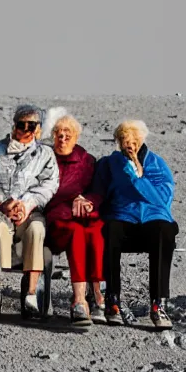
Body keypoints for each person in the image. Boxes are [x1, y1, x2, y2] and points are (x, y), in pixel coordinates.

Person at [0, 104, 59, 320]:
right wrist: (5, 202)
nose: (25, 129)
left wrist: (27, 204)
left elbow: (49, 183)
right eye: (21, 124)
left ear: (39, 128)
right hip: (1, 210)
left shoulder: (45, 154)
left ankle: (30, 293)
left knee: (36, 230)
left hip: (29, 212)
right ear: (14, 125)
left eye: (31, 125)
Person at [93, 119, 178, 329]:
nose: (129, 144)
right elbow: (98, 192)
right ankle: (112, 300)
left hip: (153, 218)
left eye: (133, 140)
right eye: (124, 139)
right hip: (123, 218)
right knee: (110, 229)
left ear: (141, 140)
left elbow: (162, 199)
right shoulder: (110, 163)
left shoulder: (156, 164)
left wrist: (139, 176)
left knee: (164, 231)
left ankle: (158, 303)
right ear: (118, 142)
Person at [43, 107, 105, 326]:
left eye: (67, 134)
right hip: (58, 221)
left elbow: (98, 190)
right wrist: (74, 198)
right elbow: (49, 191)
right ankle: (79, 299)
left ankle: (97, 293)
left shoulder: (87, 161)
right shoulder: (46, 158)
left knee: (97, 229)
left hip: (85, 215)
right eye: (58, 134)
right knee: (76, 232)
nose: (62, 138)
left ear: (76, 137)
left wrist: (88, 201)